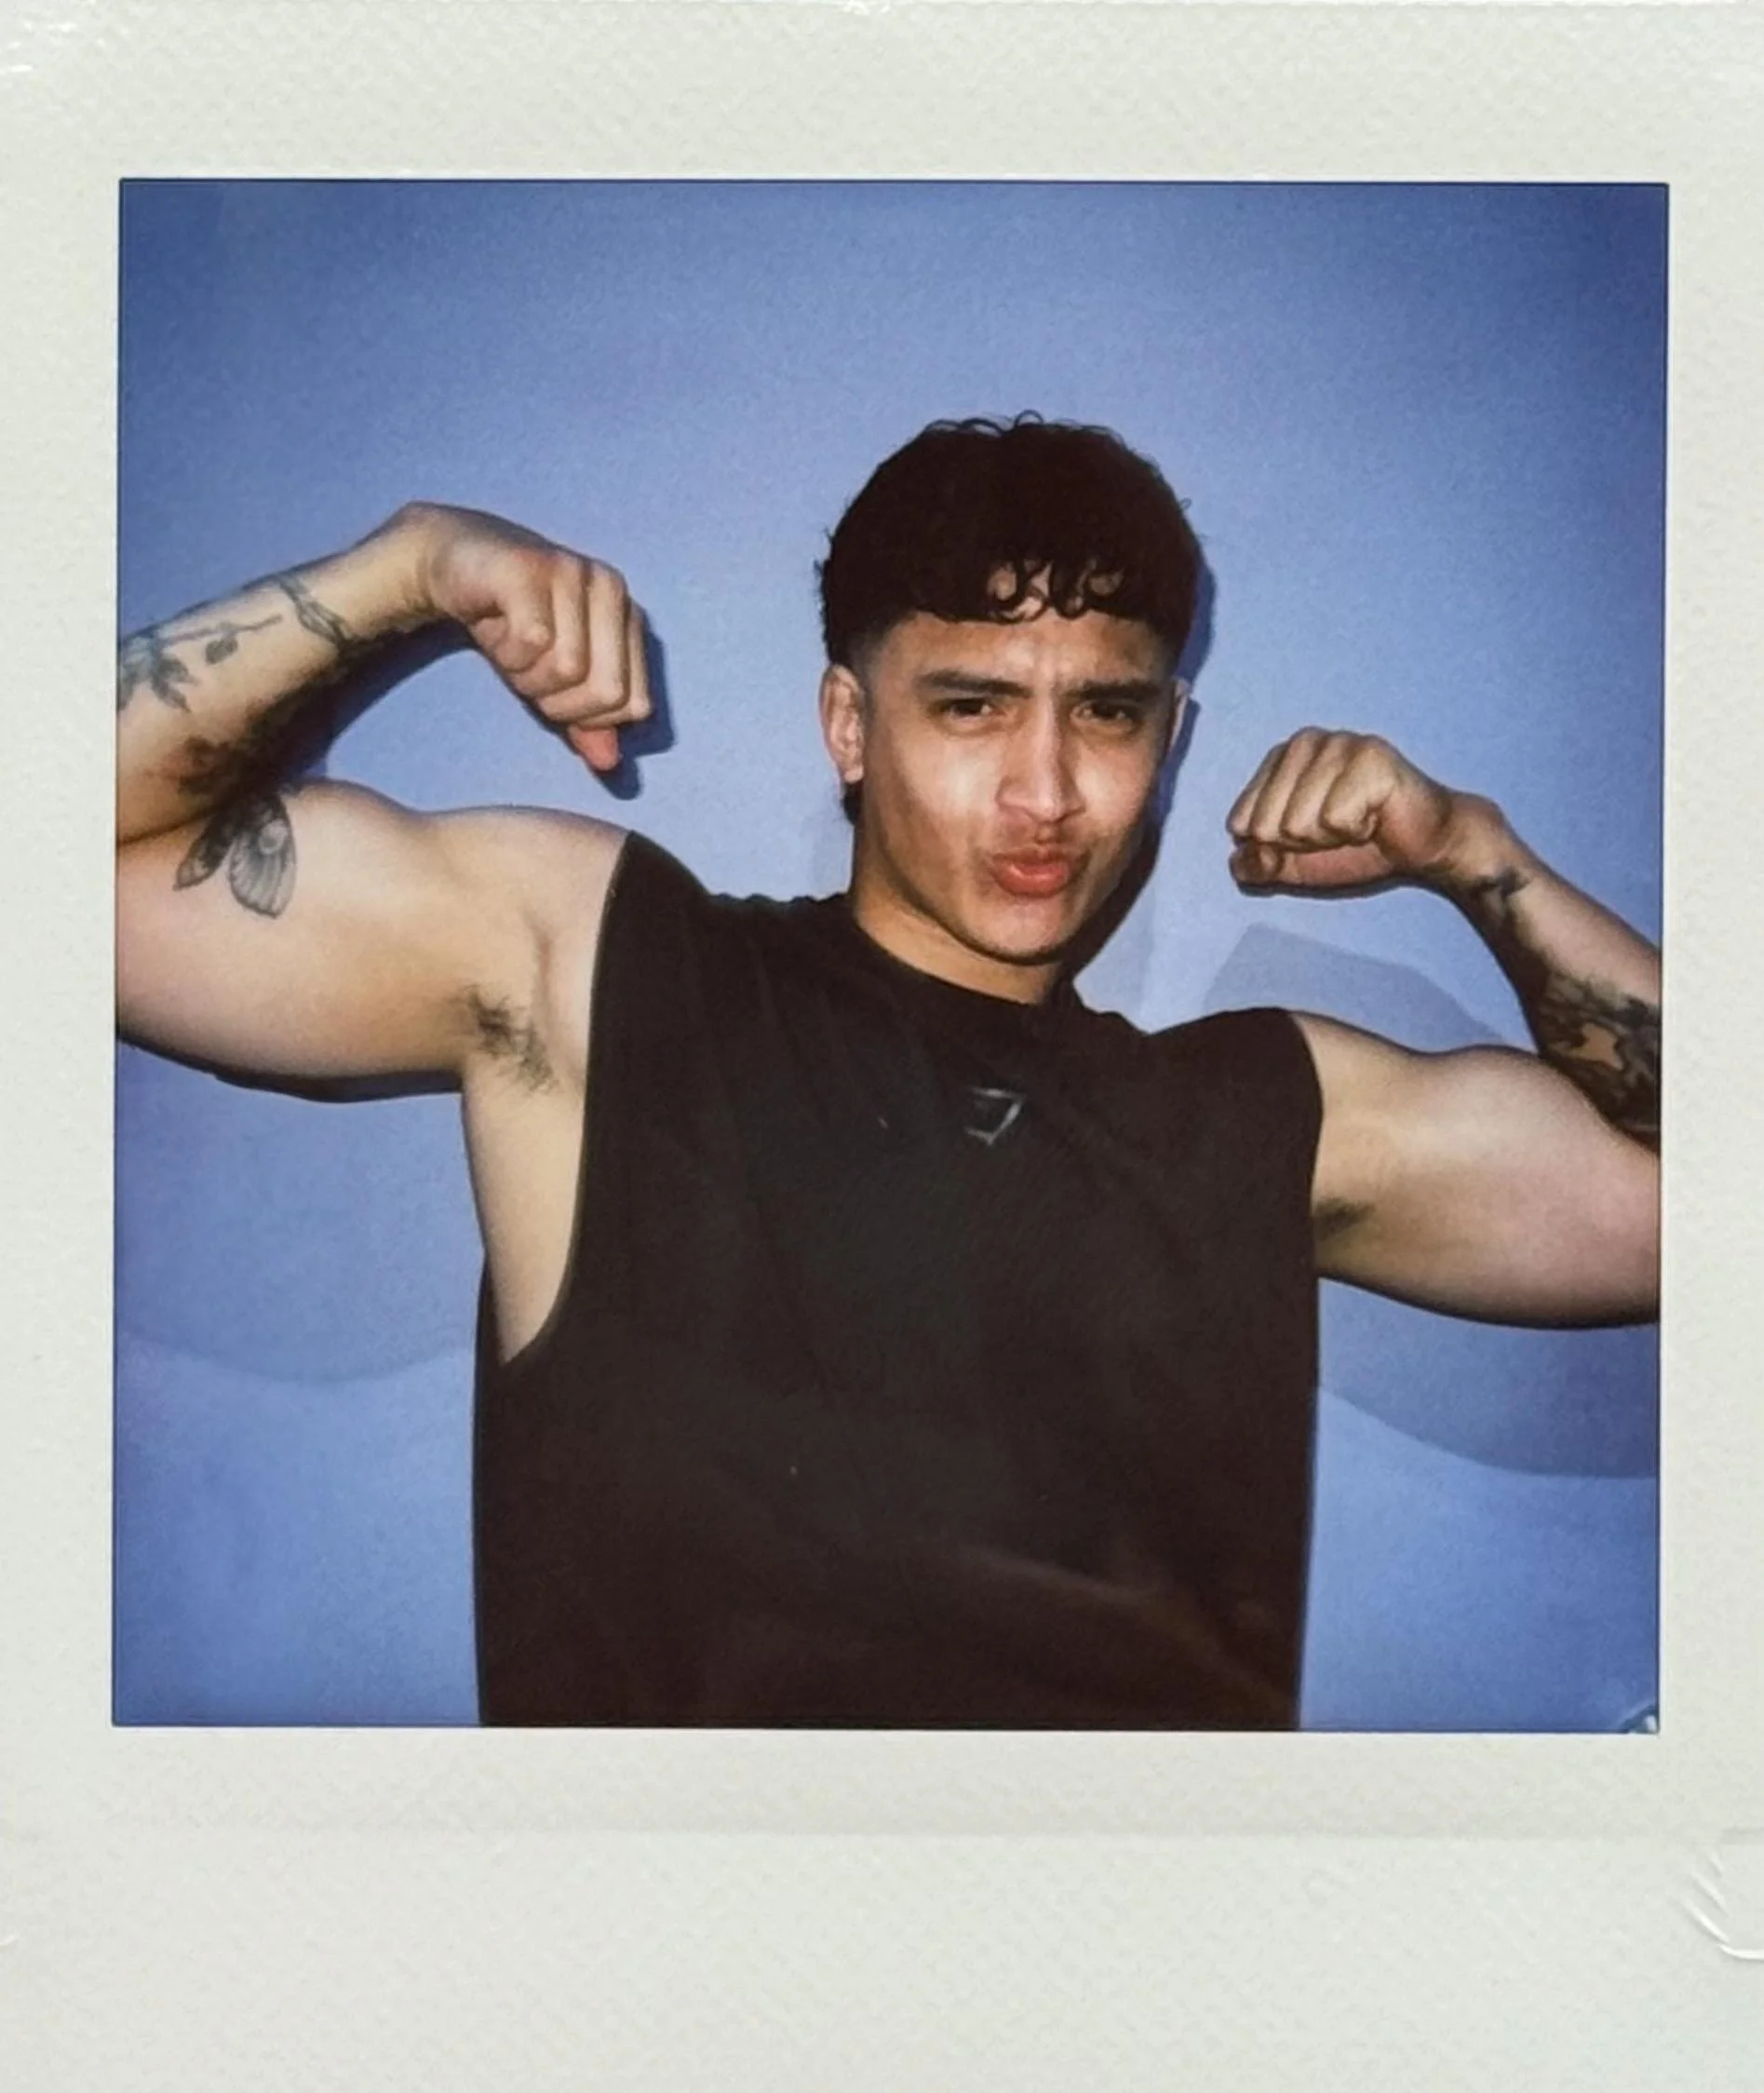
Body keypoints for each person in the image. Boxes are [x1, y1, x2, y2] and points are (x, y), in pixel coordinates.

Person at [115, 415, 1659, 1728]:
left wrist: (1476, 854)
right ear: (849, 725)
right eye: (972, 705)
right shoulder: (603, 973)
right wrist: (409, 565)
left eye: (1105, 713)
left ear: (1168, 739)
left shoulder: (1267, 1113)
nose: (1045, 792)